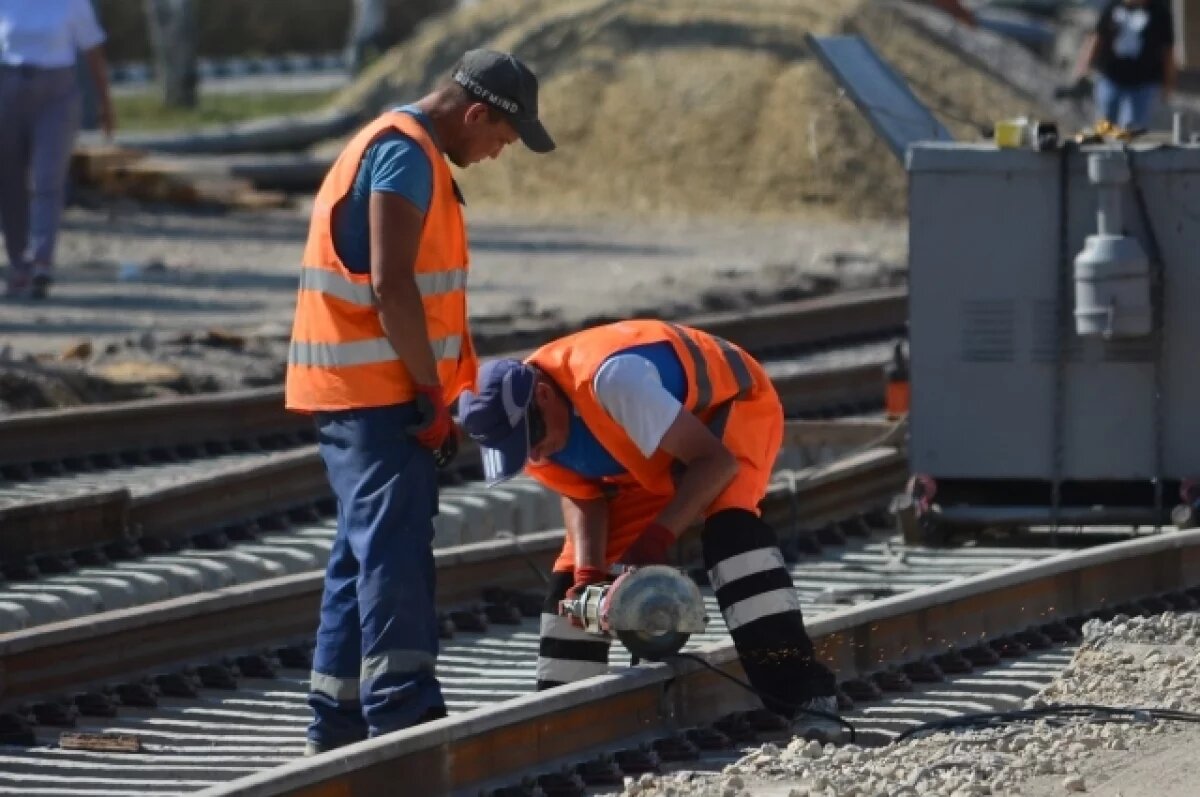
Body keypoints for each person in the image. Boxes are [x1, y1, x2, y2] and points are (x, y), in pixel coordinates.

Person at [284, 49, 555, 755]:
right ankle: (404, 715)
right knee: (394, 552)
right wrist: (431, 393)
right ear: (476, 113)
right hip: (380, 394)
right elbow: (392, 285)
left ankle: (337, 722)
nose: (498, 153)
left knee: (361, 555)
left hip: (370, 390)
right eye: (501, 138)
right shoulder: (405, 154)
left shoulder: (404, 148)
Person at [458, 320, 840, 721]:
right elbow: (584, 497)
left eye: (531, 440)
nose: (534, 455)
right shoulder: (527, 432)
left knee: (733, 539)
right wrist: (589, 575)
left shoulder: (614, 382)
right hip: (646, 454)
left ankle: (804, 696)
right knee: (570, 588)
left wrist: (655, 539)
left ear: (543, 394)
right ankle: (562, 720)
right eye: (520, 450)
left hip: (725, 416)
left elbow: (715, 463)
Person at [0, 0, 115, 299]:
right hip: (9, 89)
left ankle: (42, 261)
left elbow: (93, 50)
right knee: (10, 182)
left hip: (57, 95)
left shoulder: (72, 3)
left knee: (47, 177)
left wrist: (105, 104)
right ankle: (19, 263)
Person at [1073, 0, 1177, 130]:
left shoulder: (1159, 13)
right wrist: (1083, 68)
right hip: (1111, 76)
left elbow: (1167, 51)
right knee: (1105, 122)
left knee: (1133, 126)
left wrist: (1168, 83)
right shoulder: (1113, 7)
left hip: (1144, 80)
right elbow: (1097, 38)